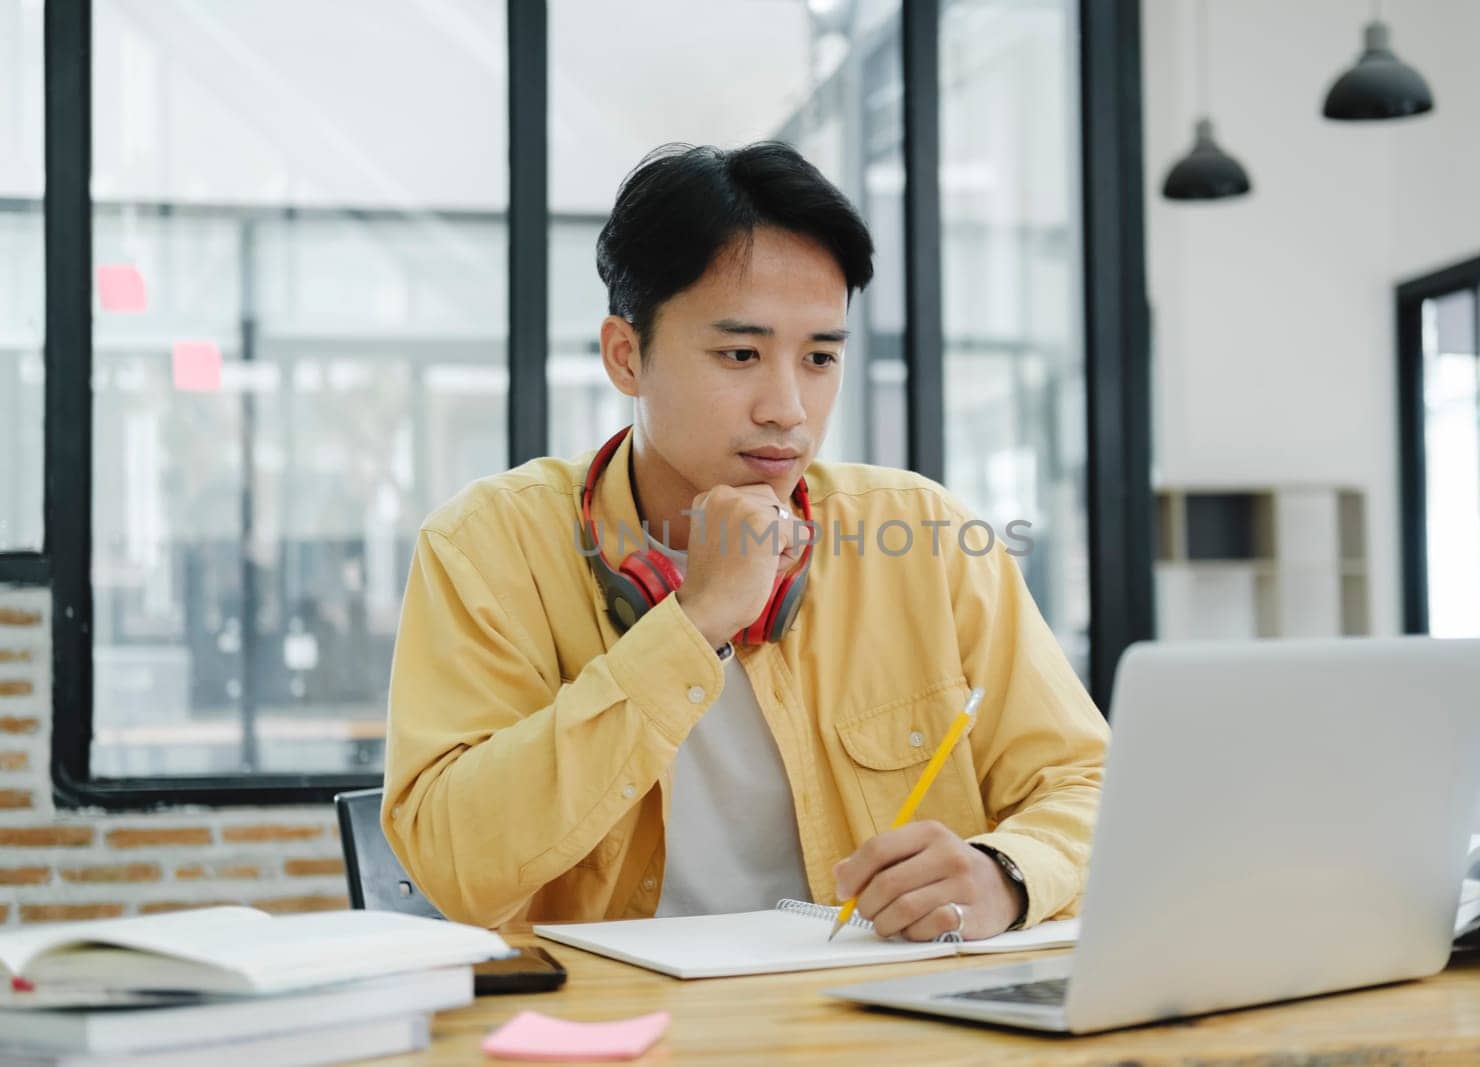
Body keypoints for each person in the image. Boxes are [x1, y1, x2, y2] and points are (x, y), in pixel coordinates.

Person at [382, 142, 1107, 943]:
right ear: (627, 355)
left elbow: (1090, 780)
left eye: (821, 357)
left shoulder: (929, 537)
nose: (788, 408)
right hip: (613, 1028)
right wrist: (695, 622)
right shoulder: (486, 544)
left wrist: (1007, 872)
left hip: (879, 1017)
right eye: (740, 354)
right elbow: (452, 865)